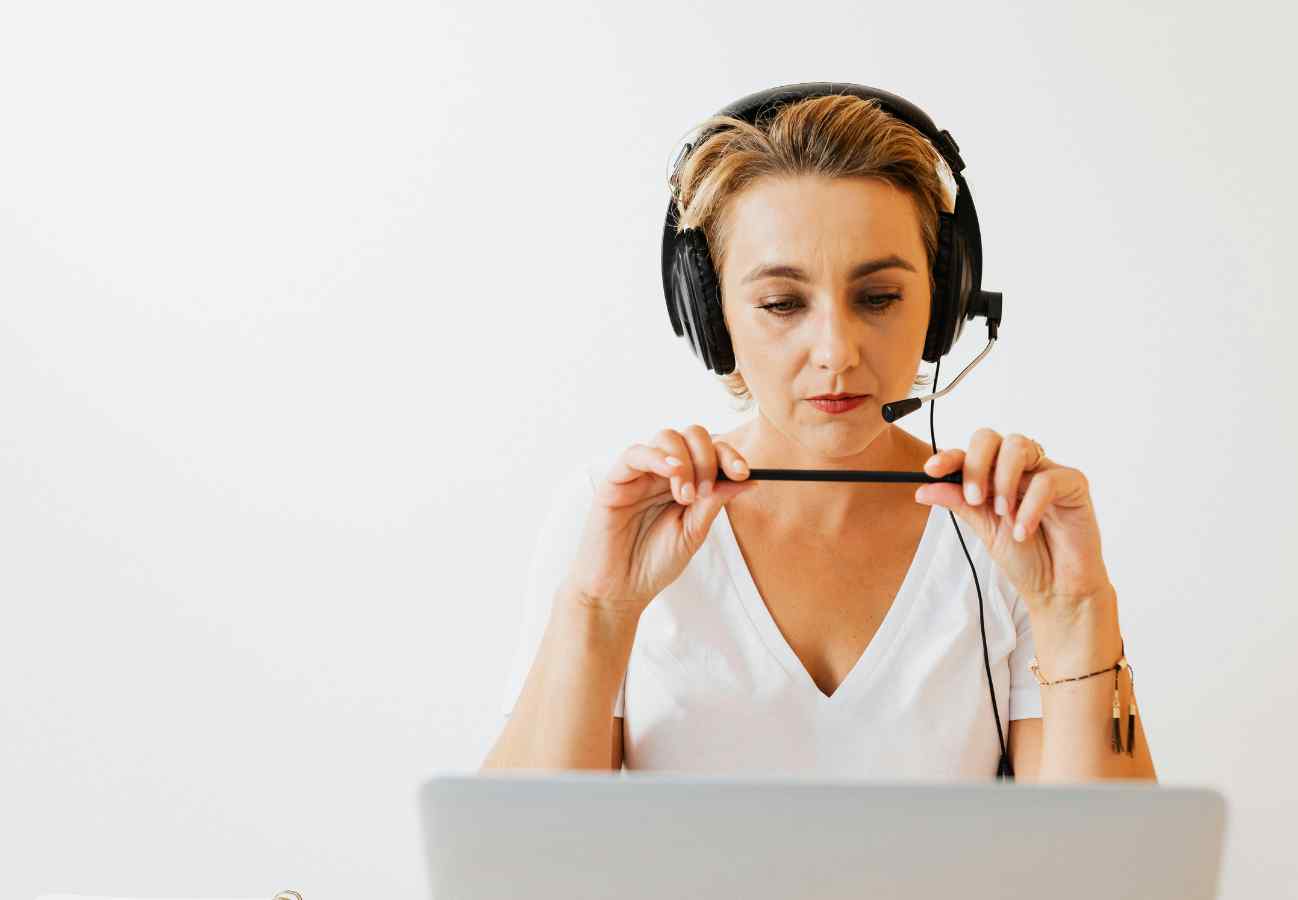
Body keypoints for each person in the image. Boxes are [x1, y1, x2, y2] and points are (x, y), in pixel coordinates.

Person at [481, 93, 1156, 782]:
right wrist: (598, 610)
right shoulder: (615, 518)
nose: (835, 350)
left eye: (878, 298)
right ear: (712, 320)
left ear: (945, 304)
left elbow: (1127, 880)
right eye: (781, 304)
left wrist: (1075, 612)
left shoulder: (1007, 537)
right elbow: (508, 870)